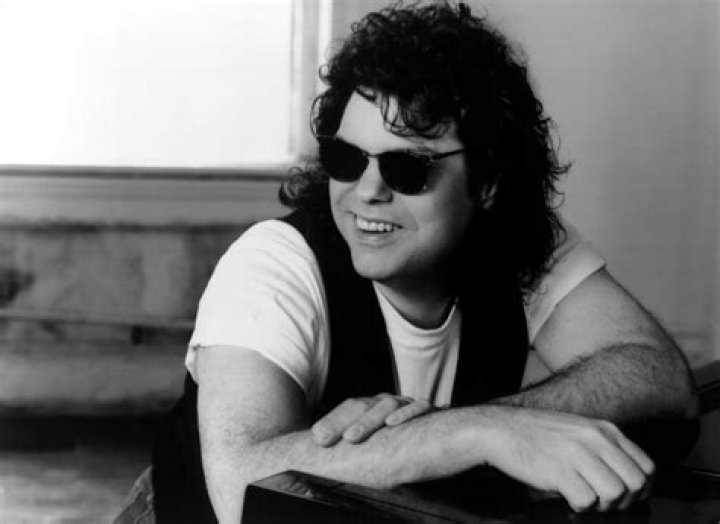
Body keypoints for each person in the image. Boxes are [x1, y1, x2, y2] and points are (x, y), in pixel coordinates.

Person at [118, 3, 698, 523]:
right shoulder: (272, 266)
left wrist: (461, 432)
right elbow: (240, 487)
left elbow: (658, 375)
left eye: (407, 169)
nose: (367, 191)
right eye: (346, 159)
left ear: (488, 182)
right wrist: (479, 431)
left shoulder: (522, 244)